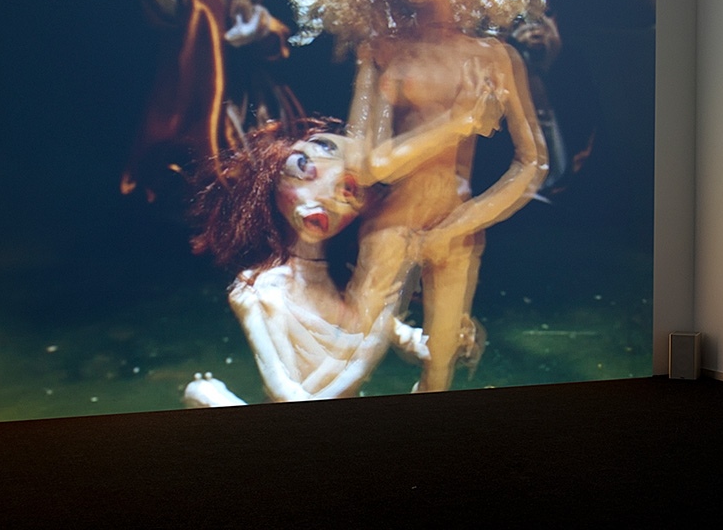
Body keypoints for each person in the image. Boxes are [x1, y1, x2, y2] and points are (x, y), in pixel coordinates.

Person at [280, 0, 549, 393]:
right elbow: (370, 165)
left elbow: (532, 163)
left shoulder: (495, 58)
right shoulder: (381, 52)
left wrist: (458, 226)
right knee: (347, 360)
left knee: (440, 370)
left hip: (457, 229)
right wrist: (456, 124)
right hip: (391, 229)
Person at [182, 106, 497, 407]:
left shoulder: (354, 285)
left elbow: (410, 341)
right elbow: (284, 392)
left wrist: (445, 342)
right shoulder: (259, 293)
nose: (325, 198)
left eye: (348, 189)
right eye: (305, 168)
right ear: (274, 172)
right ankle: (208, 396)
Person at [122, 0, 301, 209]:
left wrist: (261, 30)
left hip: (253, 98)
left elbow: (278, 38)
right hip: (208, 100)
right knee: (210, 168)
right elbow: (167, 8)